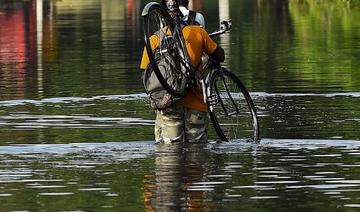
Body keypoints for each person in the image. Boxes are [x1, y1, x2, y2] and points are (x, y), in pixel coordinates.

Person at [140, 0, 225, 144]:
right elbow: (219, 55)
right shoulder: (198, 33)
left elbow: (145, 74)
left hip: (168, 105)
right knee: (196, 156)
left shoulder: (154, 40)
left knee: (169, 157)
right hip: (196, 108)